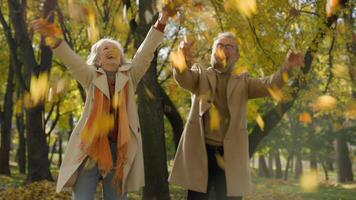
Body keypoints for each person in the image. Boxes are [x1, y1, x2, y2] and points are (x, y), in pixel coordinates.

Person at [32, 7, 176, 200]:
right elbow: (72, 61)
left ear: (121, 58)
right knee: (82, 197)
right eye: (104, 49)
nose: (110, 50)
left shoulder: (130, 76)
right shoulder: (90, 76)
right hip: (90, 148)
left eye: (114, 48)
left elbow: (146, 51)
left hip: (119, 150)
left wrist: (163, 20)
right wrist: (54, 39)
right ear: (98, 60)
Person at [169, 32, 304, 200]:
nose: (223, 49)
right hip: (202, 153)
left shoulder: (243, 82)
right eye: (219, 45)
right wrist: (182, 57)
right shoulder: (200, 75)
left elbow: (270, 85)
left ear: (237, 55)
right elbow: (182, 77)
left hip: (230, 157)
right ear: (212, 52)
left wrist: (287, 67)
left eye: (228, 46)